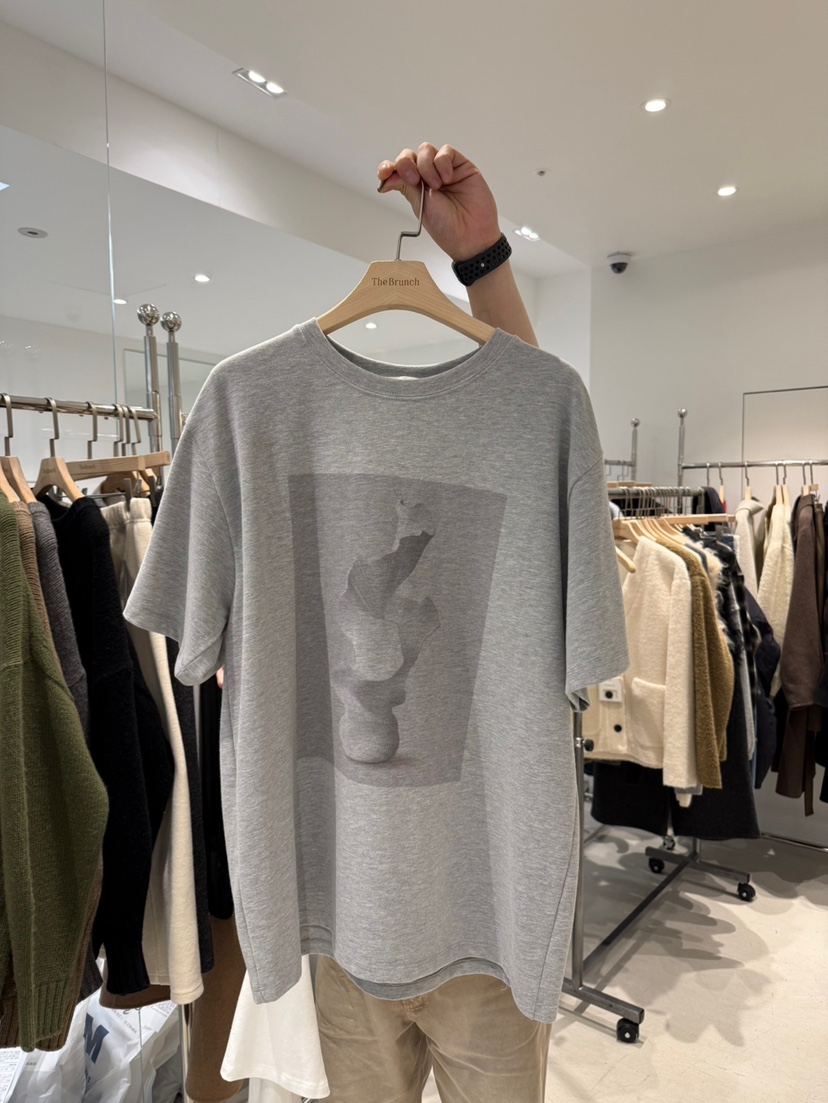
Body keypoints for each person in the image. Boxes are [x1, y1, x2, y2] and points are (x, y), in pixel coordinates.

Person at [313, 143, 552, 1103]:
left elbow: (538, 418)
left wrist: (483, 260)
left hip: (488, 927)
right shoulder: (258, 412)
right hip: (343, 927)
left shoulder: (520, 426)